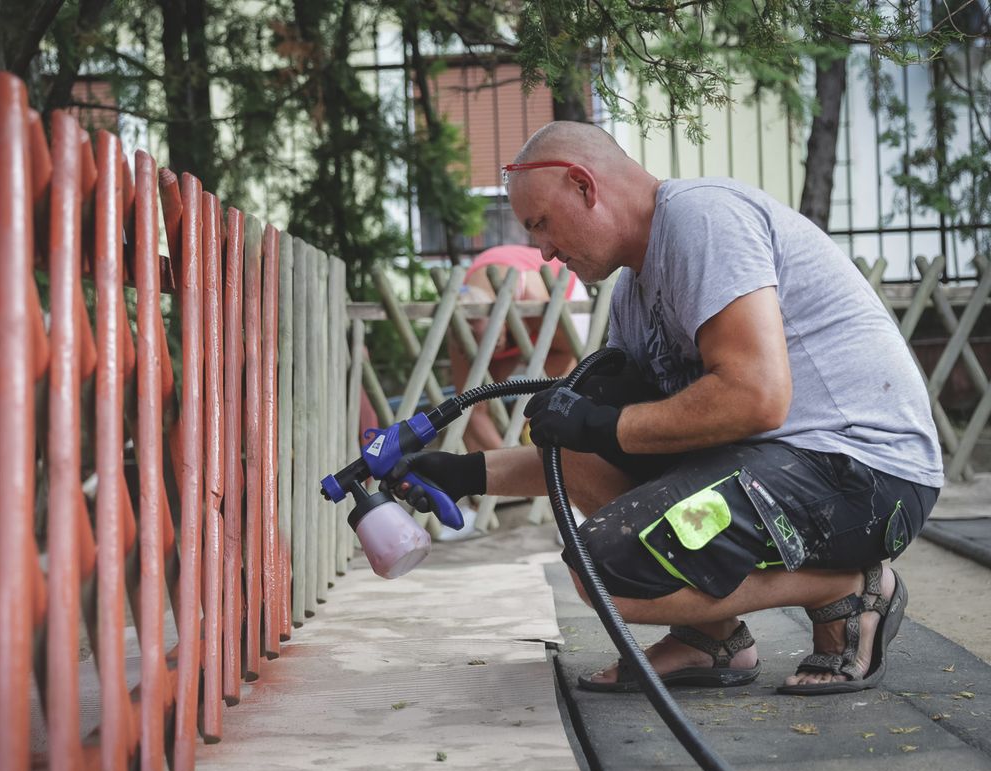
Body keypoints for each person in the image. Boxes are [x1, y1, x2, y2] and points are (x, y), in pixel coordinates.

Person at [388, 121, 942, 695]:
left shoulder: (701, 219)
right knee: (586, 437)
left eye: (541, 224)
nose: (544, 252)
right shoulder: (632, 288)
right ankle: (710, 637)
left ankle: (849, 588)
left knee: (604, 570)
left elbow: (756, 396)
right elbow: (591, 444)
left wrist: (601, 424)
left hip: (864, 473)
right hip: (786, 464)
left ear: (584, 185)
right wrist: (463, 474)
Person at [450, 245, 592, 453]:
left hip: (559, 296)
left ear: (505, 326)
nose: (494, 357)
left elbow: (568, 354)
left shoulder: (533, 295)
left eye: (499, 345)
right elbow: (470, 409)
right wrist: (507, 460)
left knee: (544, 404)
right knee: (476, 403)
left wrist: (527, 412)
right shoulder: (459, 328)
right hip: (499, 318)